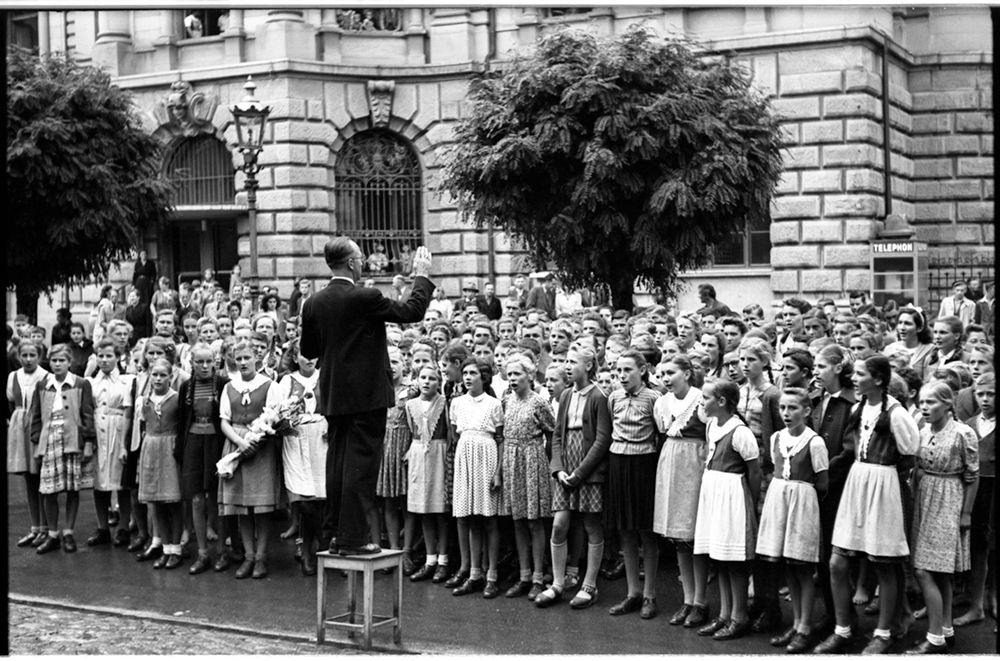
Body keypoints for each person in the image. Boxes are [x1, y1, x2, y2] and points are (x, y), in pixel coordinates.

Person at [300, 238, 434, 556]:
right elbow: (413, 311)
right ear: (350, 263)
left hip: (334, 396)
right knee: (361, 467)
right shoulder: (366, 296)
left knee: (338, 464)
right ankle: (353, 539)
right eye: (359, 258)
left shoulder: (314, 303)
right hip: (366, 397)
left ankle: (334, 533)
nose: (362, 263)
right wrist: (422, 275)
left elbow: (308, 351)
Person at [813, 355, 920, 654]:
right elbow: (850, 451)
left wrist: (887, 483)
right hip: (857, 483)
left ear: (878, 380)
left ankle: (884, 632)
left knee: (884, 564)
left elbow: (909, 453)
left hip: (883, 485)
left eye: (861, 374)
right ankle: (843, 628)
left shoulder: (896, 414)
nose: (855, 378)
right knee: (837, 562)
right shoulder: (858, 409)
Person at [756, 387, 829, 653]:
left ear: (807, 411)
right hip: (779, 501)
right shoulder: (776, 437)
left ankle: (805, 627)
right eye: (783, 408)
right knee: (787, 565)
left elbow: (822, 482)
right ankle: (796, 623)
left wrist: (800, 496)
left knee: (802, 568)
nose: (786, 413)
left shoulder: (815, 442)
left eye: (793, 408)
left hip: (802, 503)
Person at [908, 381, 979, 653]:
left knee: (925, 570)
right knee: (938, 573)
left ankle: (934, 637)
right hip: (925, 499)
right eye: (922, 403)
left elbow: (972, 477)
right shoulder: (922, 431)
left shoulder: (963, 433)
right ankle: (946, 629)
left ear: (948, 404)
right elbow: (917, 464)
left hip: (949, 500)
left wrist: (966, 513)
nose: (925, 408)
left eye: (932, 402)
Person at [692, 380, 762, 640]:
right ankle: (724, 614)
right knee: (718, 557)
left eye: (707, 397)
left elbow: (754, 472)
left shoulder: (740, 432)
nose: (702, 402)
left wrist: (749, 504)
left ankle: (739, 616)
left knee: (734, 562)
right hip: (713, 493)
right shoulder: (712, 425)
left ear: (721, 402)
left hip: (733, 498)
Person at [604, 349, 662, 620]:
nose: (622, 375)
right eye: (618, 370)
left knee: (645, 532)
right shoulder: (613, 397)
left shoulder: (654, 398)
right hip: (619, 463)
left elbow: (660, 434)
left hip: (644, 464)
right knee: (625, 531)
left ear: (642, 371)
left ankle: (650, 594)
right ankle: (632, 592)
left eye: (628, 370)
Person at [218, 339, 283, 579]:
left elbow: (274, 418)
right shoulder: (229, 387)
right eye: (239, 358)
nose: (243, 362)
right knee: (241, 507)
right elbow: (224, 420)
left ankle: (261, 557)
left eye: (247, 357)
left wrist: (256, 441)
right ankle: (248, 555)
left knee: (260, 507)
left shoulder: (269, 385)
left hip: (261, 449)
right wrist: (240, 442)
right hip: (237, 445)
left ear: (256, 358)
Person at [29, 344, 96, 554]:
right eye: (54, 360)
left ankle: (68, 532)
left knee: (71, 488)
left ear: (69, 362)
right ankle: (52, 533)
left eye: (61, 360)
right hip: (49, 440)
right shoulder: (43, 384)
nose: (57, 364)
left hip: (72, 439)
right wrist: (36, 441)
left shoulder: (81, 383)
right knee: (49, 490)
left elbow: (87, 414)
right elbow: (36, 415)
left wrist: (87, 443)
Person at [809, 344, 857, 635]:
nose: (816, 371)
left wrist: (826, 475)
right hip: (816, 486)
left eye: (821, 366)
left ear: (838, 368)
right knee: (821, 554)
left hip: (838, 489)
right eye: (814, 366)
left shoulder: (851, 404)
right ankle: (831, 613)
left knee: (837, 556)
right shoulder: (817, 399)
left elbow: (849, 450)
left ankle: (845, 616)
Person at [500, 353, 556, 600]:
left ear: (530, 375)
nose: (513, 378)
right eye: (509, 374)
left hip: (532, 460)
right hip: (512, 460)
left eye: (517, 374)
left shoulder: (539, 403)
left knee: (534, 521)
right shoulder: (506, 400)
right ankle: (524, 576)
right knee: (518, 520)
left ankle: (537, 577)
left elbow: (553, 433)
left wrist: (545, 460)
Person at [449, 357, 504, 598]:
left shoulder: (494, 404)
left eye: (473, 373)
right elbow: (455, 436)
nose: (468, 377)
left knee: (488, 518)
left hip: (487, 458)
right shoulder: (457, 403)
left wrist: (497, 472)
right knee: (469, 517)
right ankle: (474, 573)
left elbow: (500, 439)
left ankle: (492, 574)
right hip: (465, 459)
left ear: (484, 377)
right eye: (465, 373)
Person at [277, 343, 327, 577]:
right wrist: (285, 422)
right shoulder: (286, 381)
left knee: (320, 499)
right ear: (295, 357)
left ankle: (317, 551)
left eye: (313, 355)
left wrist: (331, 424)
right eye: (304, 354)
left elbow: (336, 407)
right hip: (296, 441)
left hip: (321, 439)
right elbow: (276, 412)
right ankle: (315, 547)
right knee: (304, 500)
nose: (310, 359)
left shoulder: (325, 376)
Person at [177, 343, 228, 575]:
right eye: (200, 362)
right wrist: (181, 450)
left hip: (216, 444)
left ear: (215, 362)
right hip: (193, 444)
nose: (205, 366)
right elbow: (181, 421)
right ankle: (202, 552)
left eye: (209, 362)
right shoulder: (187, 386)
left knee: (217, 498)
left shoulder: (223, 385)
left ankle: (221, 552)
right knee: (196, 499)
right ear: (192, 363)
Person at [85, 339, 135, 548]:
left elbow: (128, 413)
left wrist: (124, 443)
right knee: (99, 482)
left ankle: (124, 526)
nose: (104, 360)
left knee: (120, 481)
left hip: (117, 429)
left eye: (109, 356)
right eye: (101, 356)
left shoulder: (127, 381)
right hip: (97, 430)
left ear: (117, 357)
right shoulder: (90, 382)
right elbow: (86, 410)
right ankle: (102, 527)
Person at [405, 364, 452, 583]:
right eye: (422, 377)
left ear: (439, 382)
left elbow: (449, 434)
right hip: (418, 455)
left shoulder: (445, 404)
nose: (426, 382)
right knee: (423, 510)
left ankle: (443, 560)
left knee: (439, 510)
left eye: (432, 378)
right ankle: (429, 559)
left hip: (438, 454)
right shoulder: (410, 405)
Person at [137, 358, 185, 570]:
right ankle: (165, 548)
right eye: (154, 374)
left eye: (162, 375)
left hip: (170, 449)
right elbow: (141, 427)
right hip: (151, 449)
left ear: (170, 376)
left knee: (173, 502)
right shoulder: (144, 400)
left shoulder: (176, 399)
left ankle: (176, 548)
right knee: (155, 503)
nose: (158, 379)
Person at [955, 373, 994, 628]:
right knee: (978, 547)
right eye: (981, 394)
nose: (986, 399)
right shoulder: (969, 423)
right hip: (976, 491)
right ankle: (977, 605)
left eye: (991, 394)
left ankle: (992, 597)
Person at [376, 346, 416, 574]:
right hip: (384, 448)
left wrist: (412, 447)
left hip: (405, 448)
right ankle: (393, 550)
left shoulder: (412, 391)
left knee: (407, 502)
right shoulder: (378, 389)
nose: (391, 367)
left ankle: (407, 551)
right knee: (389, 502)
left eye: (395, 362)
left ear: (404, 364)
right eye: (387, 362)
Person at [8, 340, 50, 548]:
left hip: (38, 426)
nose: (28, 359)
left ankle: (45, 527)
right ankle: (34, 527)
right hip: (19, 426)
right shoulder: (13, 376)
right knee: (28, 478)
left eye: (32, 355)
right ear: (19, 357)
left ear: (39, 356)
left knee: (40, 477)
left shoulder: (45, 376)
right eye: (24, 355)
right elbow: (11, 401)